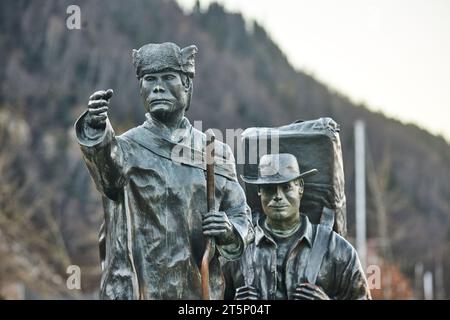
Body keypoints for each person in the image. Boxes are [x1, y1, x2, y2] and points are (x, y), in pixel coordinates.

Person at [75, 42, 253, 299]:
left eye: (168, 77)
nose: (157, 86)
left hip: (199, 292)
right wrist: (95, 127)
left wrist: (228, 230)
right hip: (139, 291)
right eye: (149, 79)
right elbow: (106, 176)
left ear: (187, 85)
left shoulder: (216, 152)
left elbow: (241, 217)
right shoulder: (124, 149)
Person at [223, 153, 371, 300]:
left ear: (300, 187)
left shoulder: (337, 250)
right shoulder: (238, 252)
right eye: (269, 188)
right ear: (259, 191)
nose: (278, 196)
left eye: (286, 187)